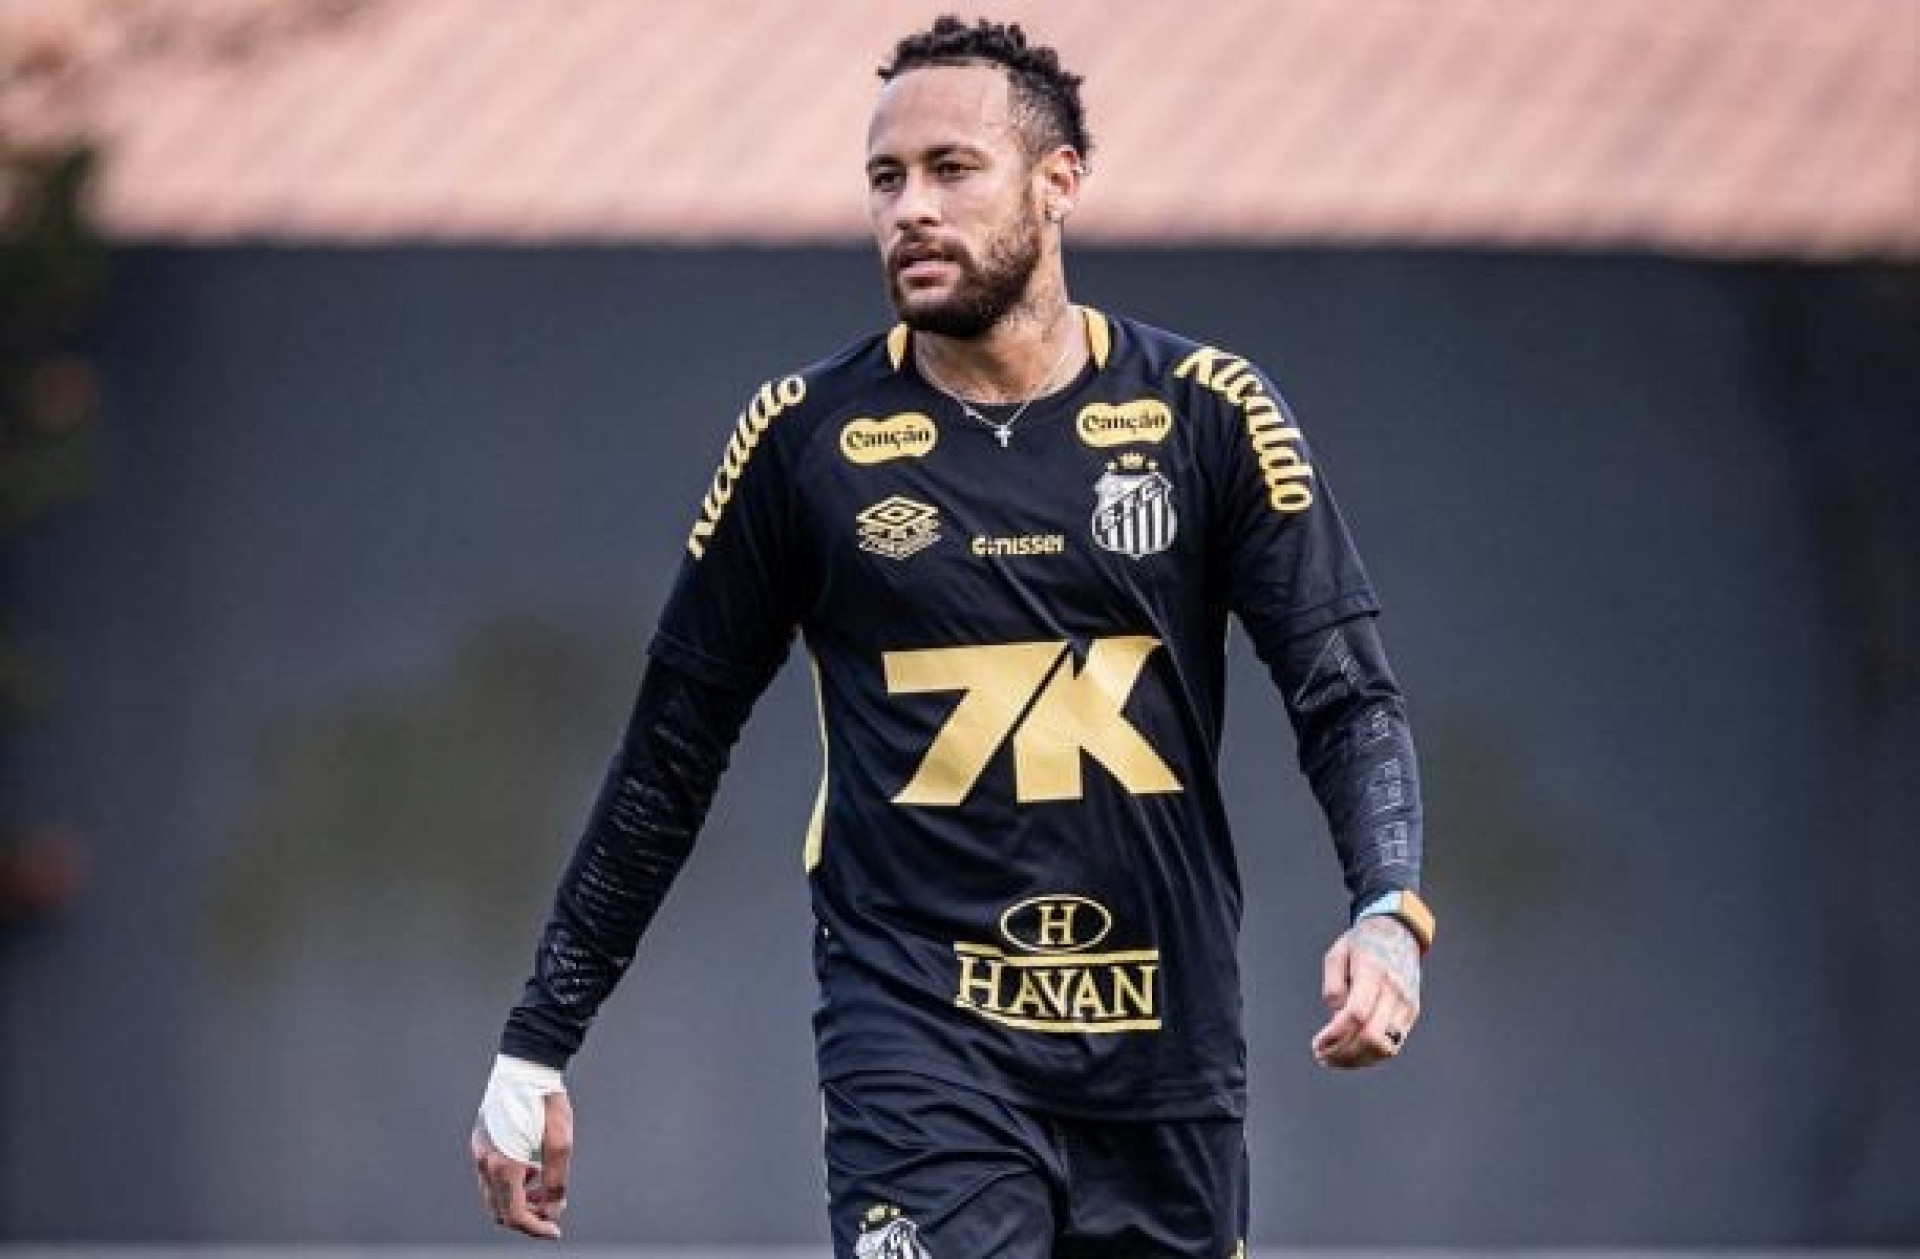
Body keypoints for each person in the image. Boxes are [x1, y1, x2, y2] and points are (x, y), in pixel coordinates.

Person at [470, 14, 1433, 1256]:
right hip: (918, 1047)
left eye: (950, 169)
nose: (911, 208)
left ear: (1059, 181)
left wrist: (1386, 909)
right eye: (885, 178)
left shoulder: (1210, 414)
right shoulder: (804, 440)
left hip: (1165, 1054)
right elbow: (669, 753)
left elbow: (1344, 693)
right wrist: (538, 1036)